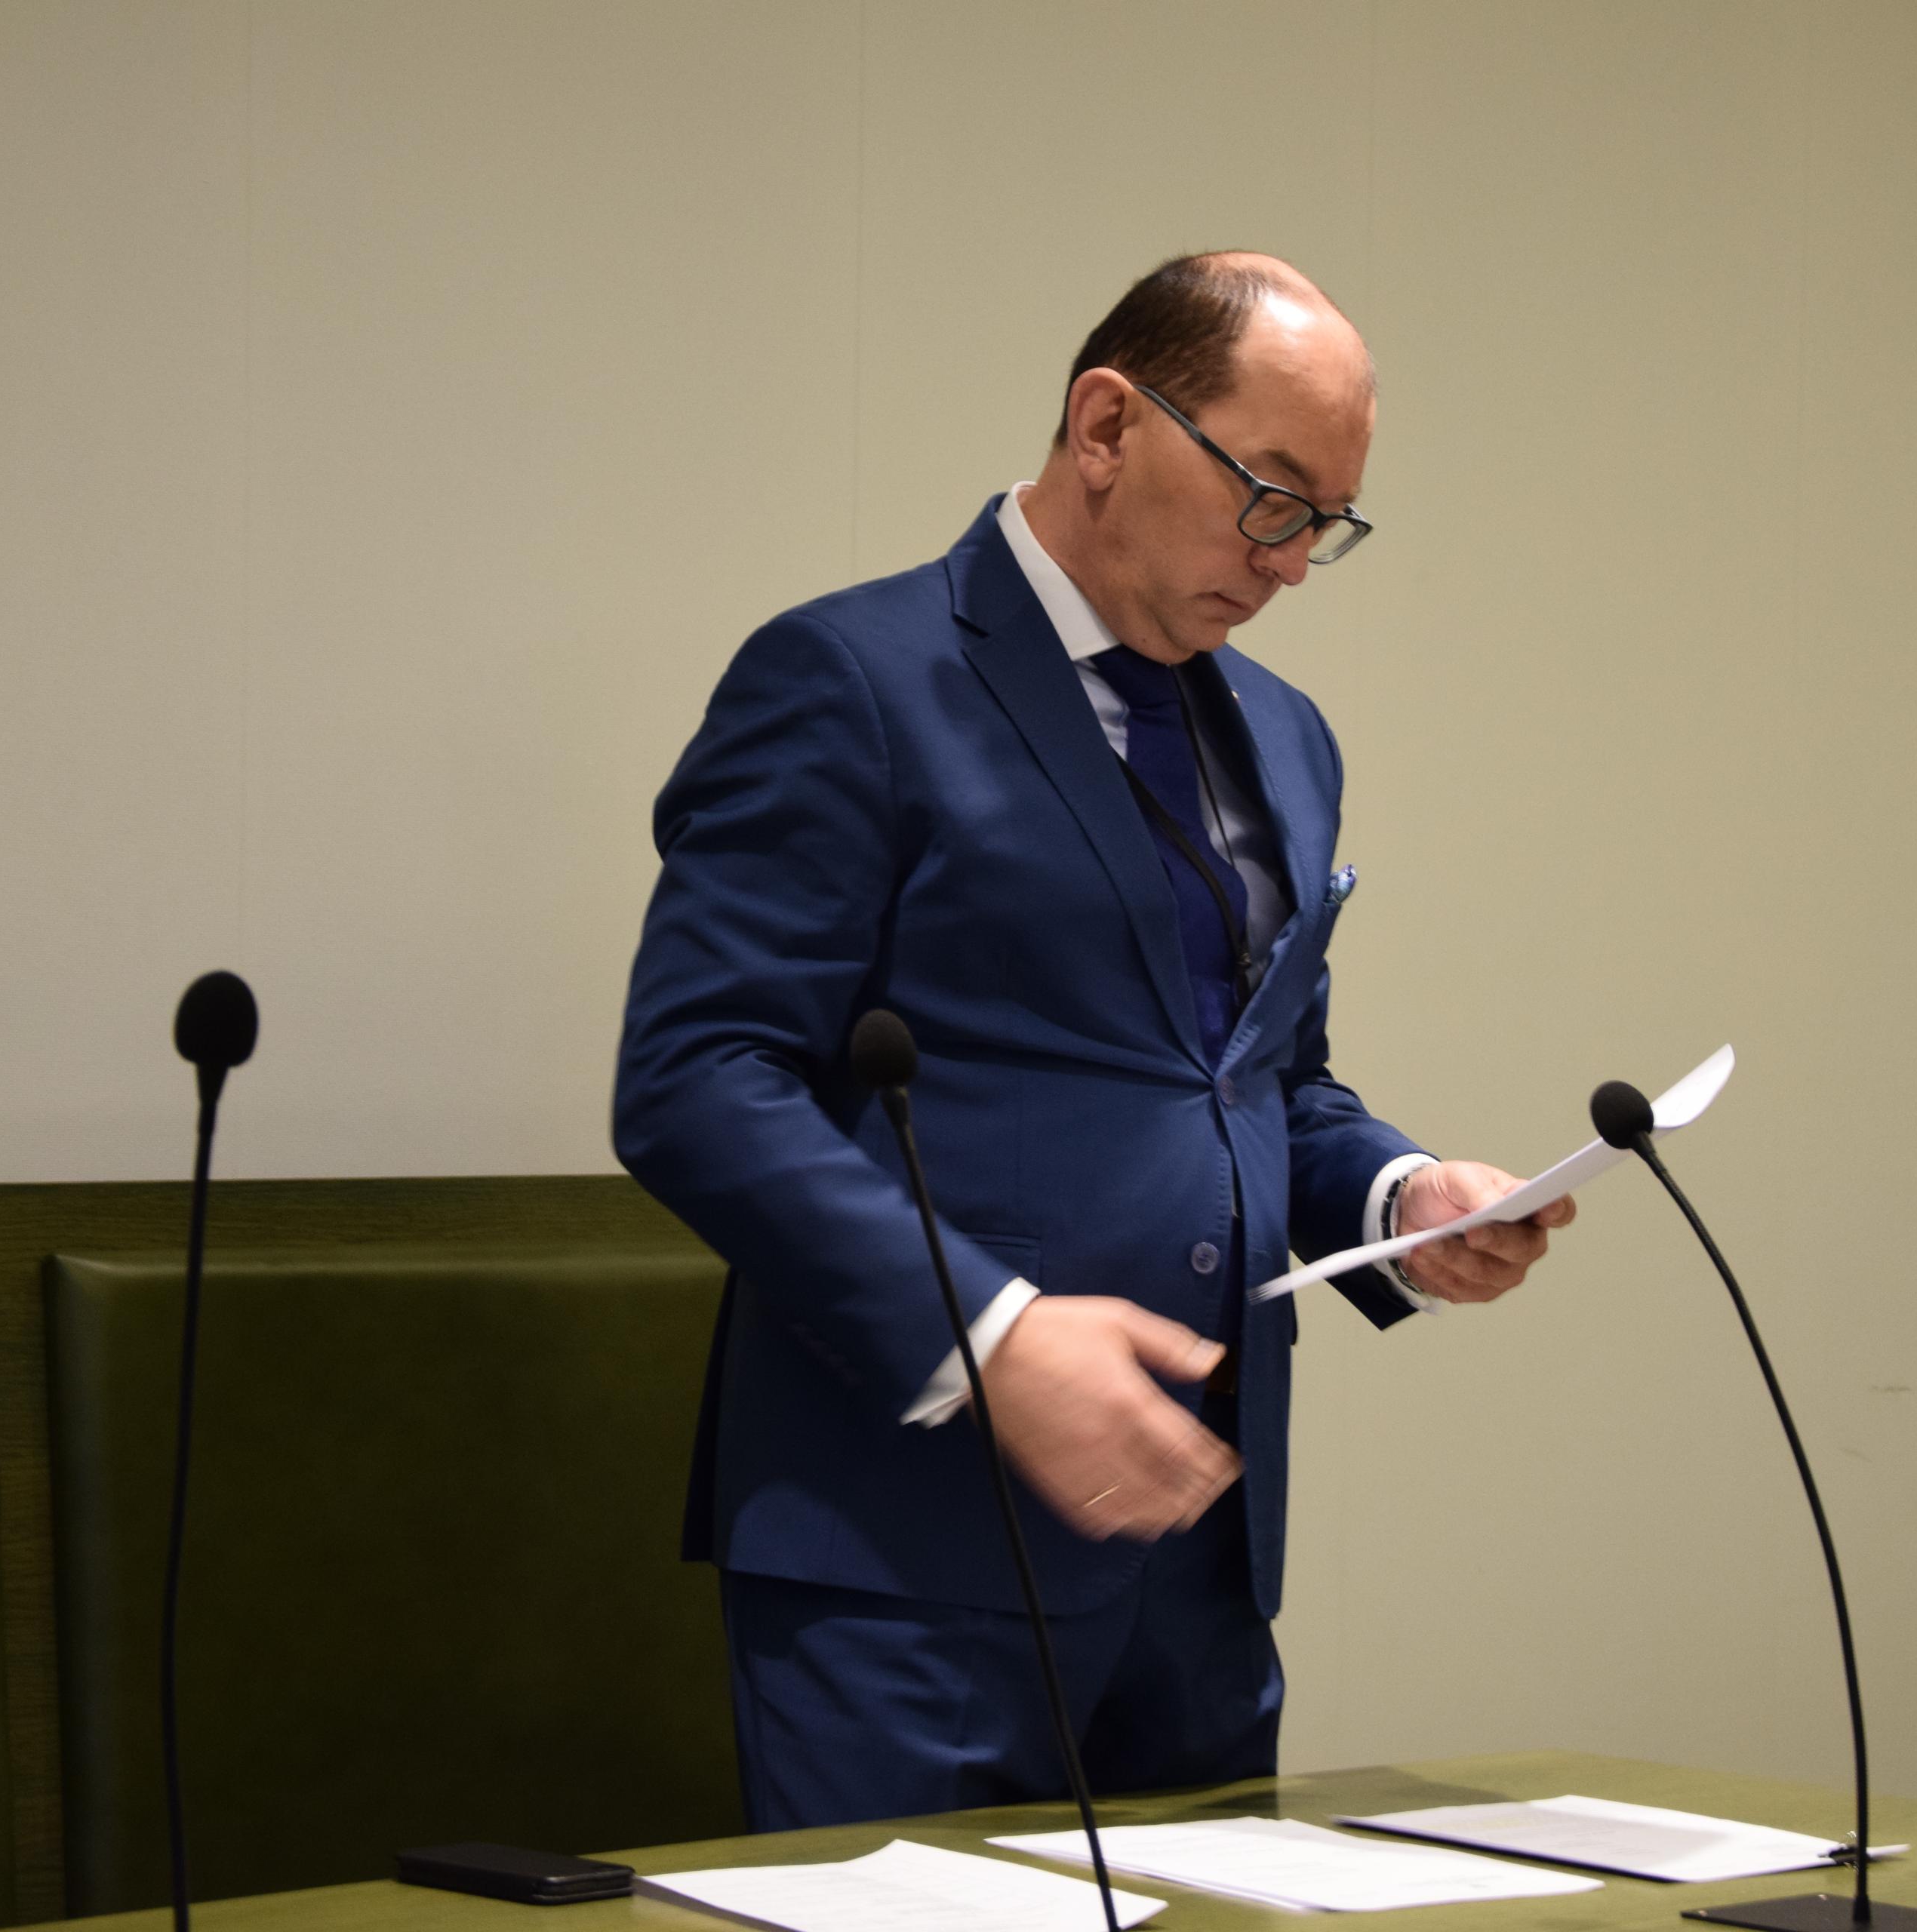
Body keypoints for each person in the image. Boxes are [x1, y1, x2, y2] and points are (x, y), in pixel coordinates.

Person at [613, 252, 1572, 1832]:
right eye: (1270, 496)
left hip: (1199, 1557)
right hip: (906, 1559)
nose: (1291, 563)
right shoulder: (851, 679)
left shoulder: (1287, 733)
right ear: (1109, 425)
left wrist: (1401, 1196)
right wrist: (993, 1335)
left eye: (1328, 523)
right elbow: (697, 1081)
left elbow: (1258, 1078)